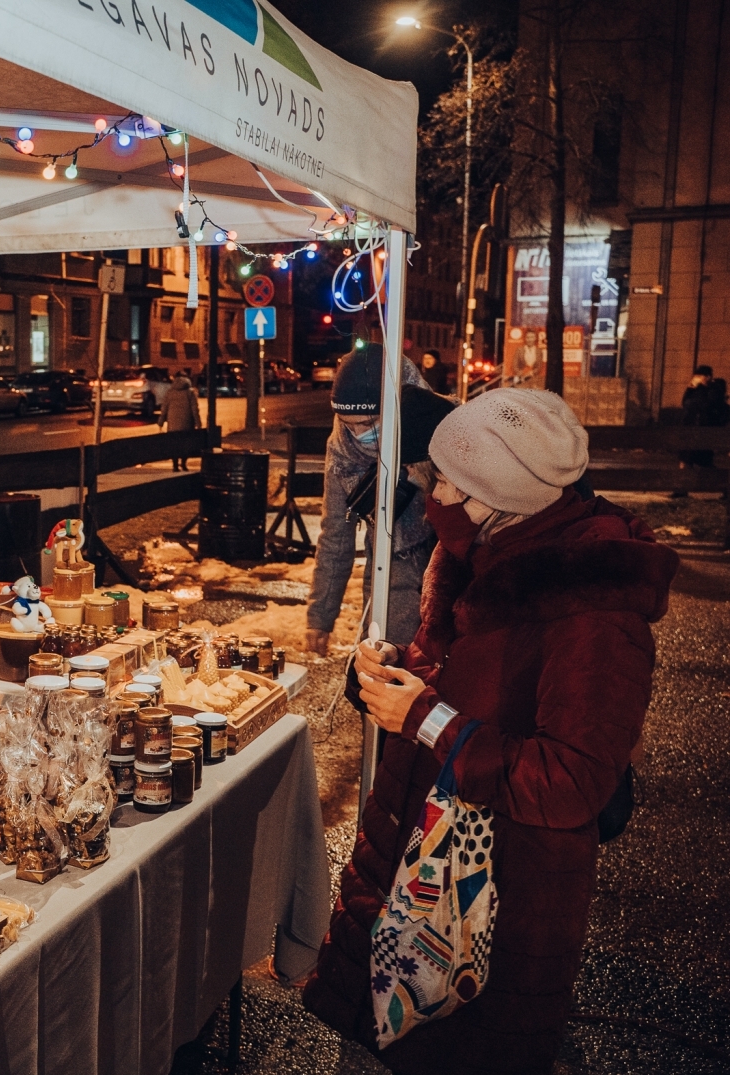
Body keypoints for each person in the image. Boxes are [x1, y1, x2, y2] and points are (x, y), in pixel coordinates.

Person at [303, 388, 678, 1075]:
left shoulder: (593, 606)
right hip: (409, 872)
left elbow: (568, 782)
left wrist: (423, 716)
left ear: (502, 493)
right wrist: (393, 675)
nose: (433, 490)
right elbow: (452, 671)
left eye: (448, 479)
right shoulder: (476, 551)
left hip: (495, 897)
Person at [304, 346, 432, 657]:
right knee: (380, 672)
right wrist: (321, 616)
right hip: (390, 582)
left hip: (447, 576)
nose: (359, 434)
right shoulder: (342, 452)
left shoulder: (441, 428)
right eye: (349, 424)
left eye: (369, 423)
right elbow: (335, 534)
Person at [679, 364, 728, 470]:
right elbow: (685, 403)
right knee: (688, 459)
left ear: (707, 377)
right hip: (691, 427)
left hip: (705, 427)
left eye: (700, 376)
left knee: (702, 459)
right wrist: (690, 388)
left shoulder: (714, 389)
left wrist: (699, 387)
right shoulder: (694, 389)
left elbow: (707, 405)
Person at [158, 369, 200, 470]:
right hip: (187, 422)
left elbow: (164, 408)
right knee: (185, 444)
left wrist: (161, 421)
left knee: (174, 444)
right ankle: (184, 464)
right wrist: (198, 423)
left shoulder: (170, 392)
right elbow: (195, 409)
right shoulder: (190, 392)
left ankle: (175, 465)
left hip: (172, 423)